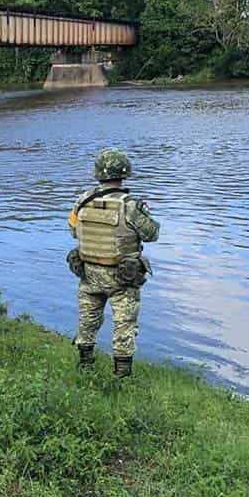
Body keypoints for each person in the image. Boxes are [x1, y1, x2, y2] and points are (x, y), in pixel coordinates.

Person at [67, 148, 160, 378]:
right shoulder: (129, 205)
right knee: (124, 326)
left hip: (89, 274)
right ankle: (122, 378)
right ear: (124, 173)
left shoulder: (82, 201)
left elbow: (73, 230)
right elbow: (151, 234)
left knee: (87, 321)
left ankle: (85, 366)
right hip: (121, 278)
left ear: (98, 173)